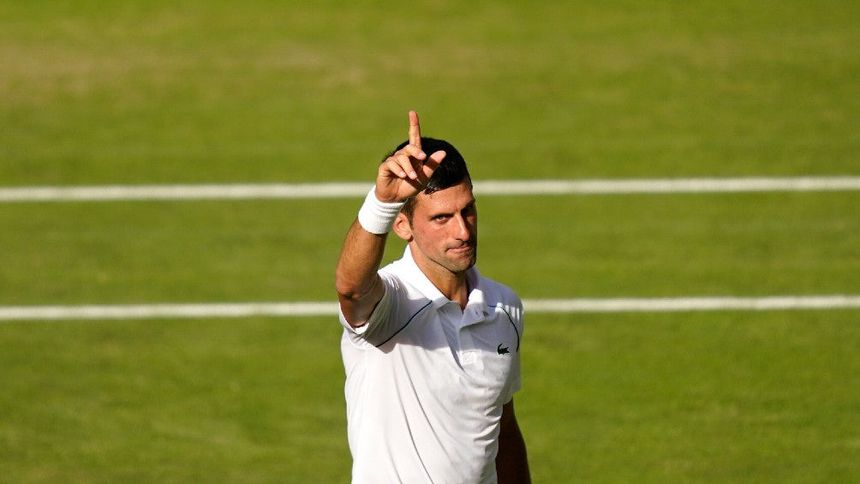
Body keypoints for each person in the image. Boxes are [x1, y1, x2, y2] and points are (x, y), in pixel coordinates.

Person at [335, 111, 531, 484]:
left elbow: (503, 430)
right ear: (402, 225)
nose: (462, 231)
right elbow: (352, 289)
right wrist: (381, 203)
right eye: (441, 218)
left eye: (467, 211)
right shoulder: (390, 305)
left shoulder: (505, 307)